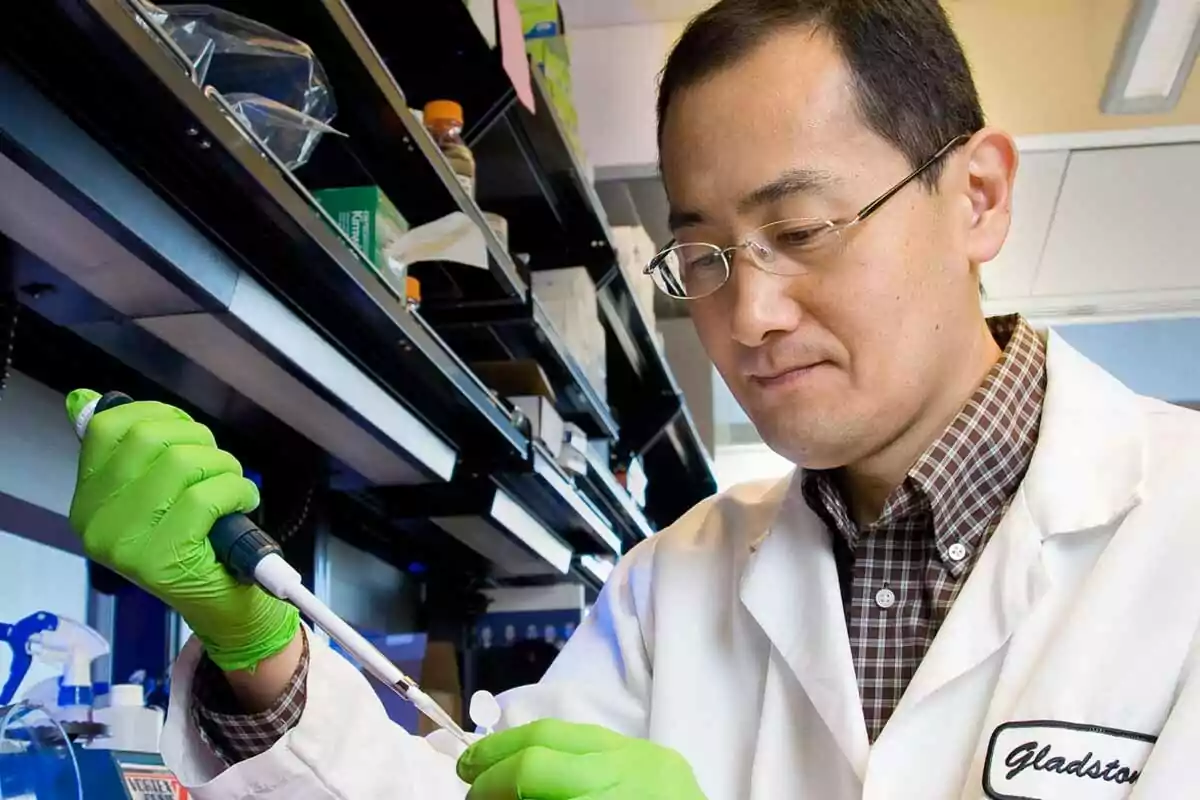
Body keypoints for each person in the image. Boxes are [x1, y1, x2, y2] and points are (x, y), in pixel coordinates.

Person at [65, 0, 1200, 798]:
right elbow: (465, 782)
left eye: (801, 230)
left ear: (981, 195)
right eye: (702, 258)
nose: (747, 315)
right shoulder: (679, 578)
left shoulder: (1179, 533)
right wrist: (258, 642)